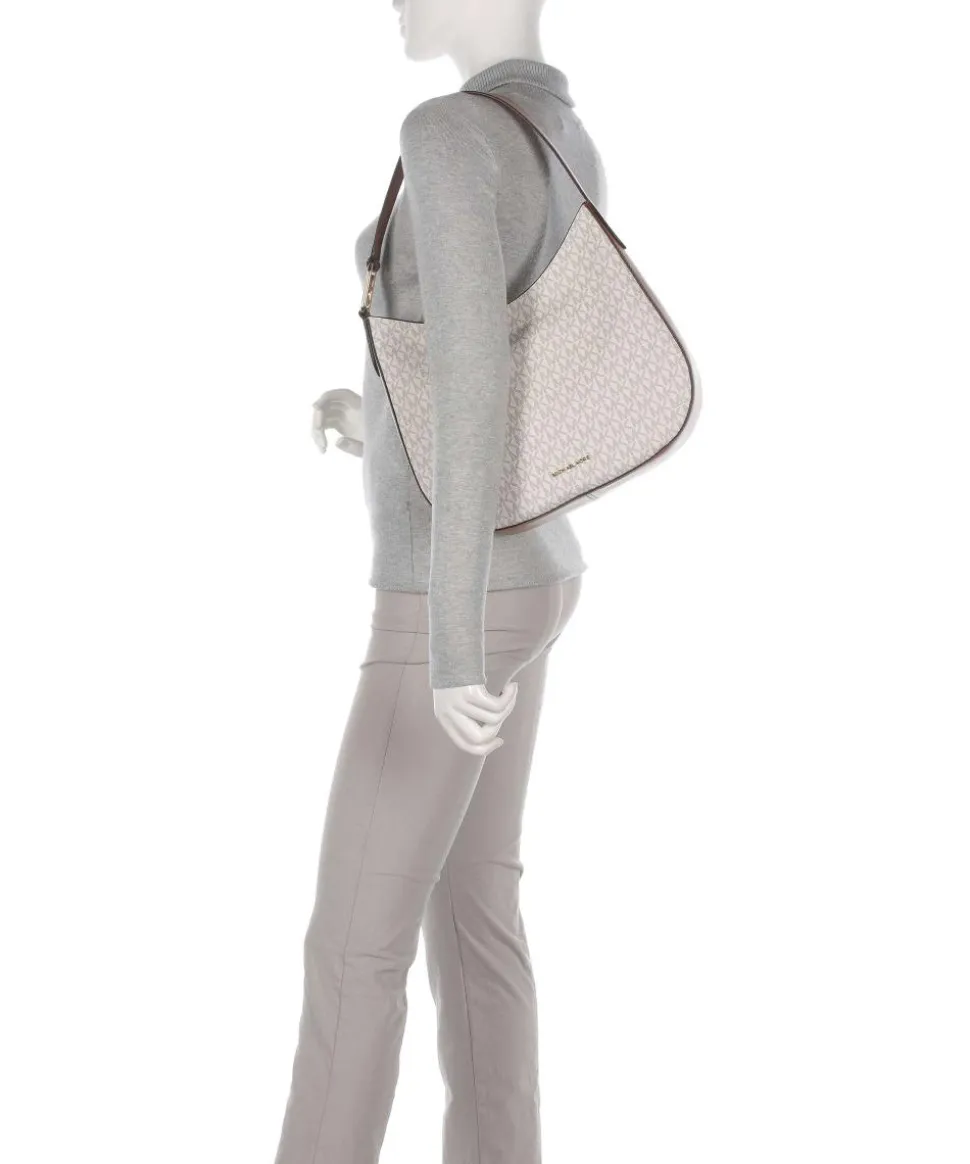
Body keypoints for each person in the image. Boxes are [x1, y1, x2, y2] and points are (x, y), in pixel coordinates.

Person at [276, 5, 608, 1162]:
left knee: (352, 953)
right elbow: (507, 375)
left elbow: (474, 388)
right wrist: (373, 421)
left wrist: (452, 648)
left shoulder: (451, 132)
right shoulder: (559, 131)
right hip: (532, 572)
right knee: (475, 922)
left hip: (448, 607)